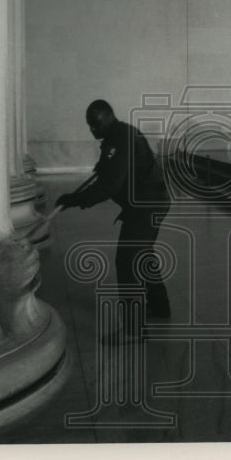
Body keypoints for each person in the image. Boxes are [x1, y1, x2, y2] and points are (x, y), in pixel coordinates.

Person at [56, 99, 171, 325]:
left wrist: (77, 199)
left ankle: (133, 328)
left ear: (109, 115)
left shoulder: (120, 138)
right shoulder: (115, 137)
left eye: (96, 123)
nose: (93, 129)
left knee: (127, 261)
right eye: (89, 125)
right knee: (143, 255)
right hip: (152, 201)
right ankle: (160, 307)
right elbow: (104, 175)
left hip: (146, 205)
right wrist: (79, 196)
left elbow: (110, 185)